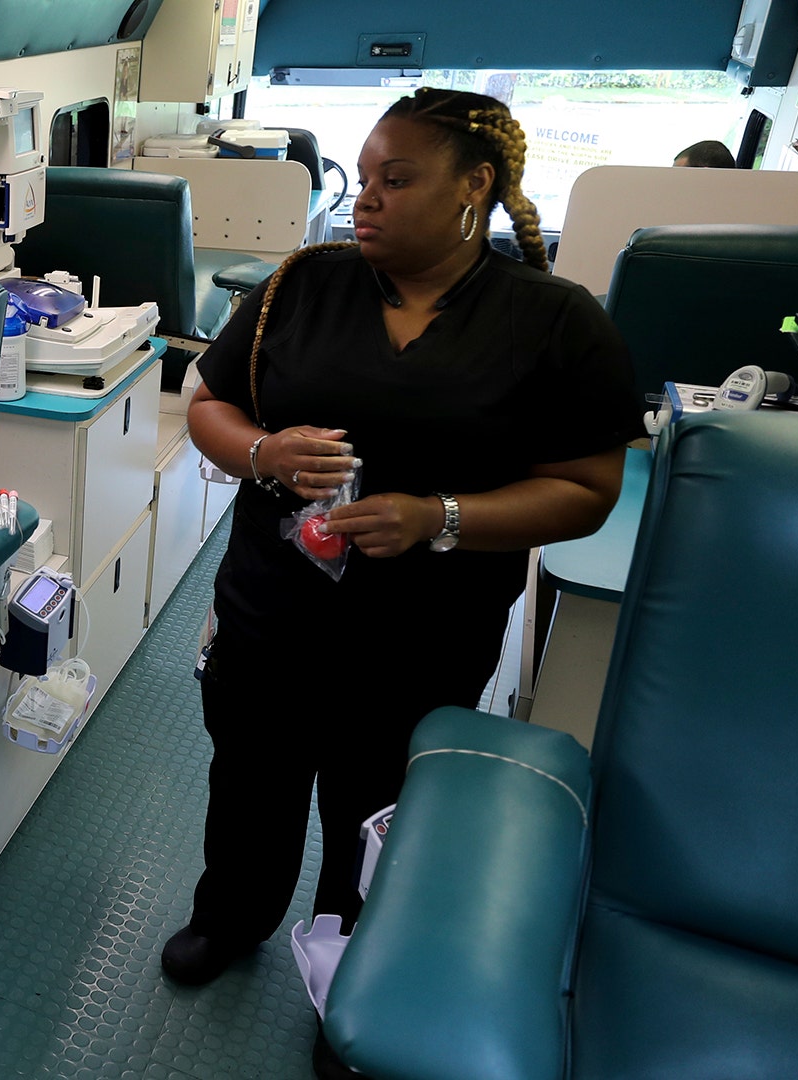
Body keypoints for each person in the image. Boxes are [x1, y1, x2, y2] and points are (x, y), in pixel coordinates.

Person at [162, 88, 643, 991]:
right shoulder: (304, 283)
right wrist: (264, 449)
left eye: (398, 178)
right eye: (368, 177)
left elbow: (587, 491)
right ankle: (230, 915)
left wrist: (442, 518)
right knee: (251, 783)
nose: (368, 196)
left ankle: (354, 963)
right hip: (271, 611)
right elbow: (209, 406)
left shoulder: (554, 321)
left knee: (379, 805)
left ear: (476, 187)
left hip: (424, 634)